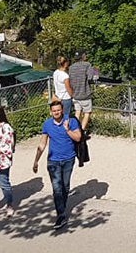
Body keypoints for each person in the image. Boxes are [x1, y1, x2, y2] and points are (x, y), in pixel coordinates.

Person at [33, 97, 82, 229]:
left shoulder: (70, 121)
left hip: (68, 159)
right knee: (56, 188)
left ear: (62, 110)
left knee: (65, 186)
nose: (56, 113)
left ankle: (62, 208)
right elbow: (42, 144)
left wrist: (67, 130)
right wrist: (36, 160)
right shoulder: (47, 124)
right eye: (54, 111)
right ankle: (61, 215)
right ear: (50, 112)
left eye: (58, 110)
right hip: (53, 161)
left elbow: (78, 137)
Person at [67, 51, 96, 166]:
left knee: (77, 112)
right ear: (83, 57)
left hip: (75, 94)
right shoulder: (87, 65)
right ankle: (81, 131)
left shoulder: (71, 68)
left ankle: (74, 129)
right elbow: (90, 78)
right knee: (87, 113)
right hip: (85, 94)